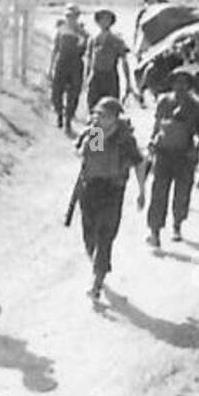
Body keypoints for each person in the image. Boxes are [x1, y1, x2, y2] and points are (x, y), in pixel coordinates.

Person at [71, 96, 147, 301]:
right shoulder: (95, 134)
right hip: (91, 189)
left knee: (105, 236)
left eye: (103, 115)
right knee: (89, 235)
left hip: (112, 192)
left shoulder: (124, 140)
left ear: (114, 118)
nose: (98, 118)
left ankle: (97, 280)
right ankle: (97, 262)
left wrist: (141, 190)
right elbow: (89, 157)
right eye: (97, 114)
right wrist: (82, 146)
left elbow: (139, 163)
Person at [145, 64, 199, 247]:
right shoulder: (164, 102)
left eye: (184, 83)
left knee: (181, 194)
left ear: (190, 86)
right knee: (158, 193)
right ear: (172, 83)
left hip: (185, 155)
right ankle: (155, 231)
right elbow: (158, 125)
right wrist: (152, 142)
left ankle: (177, 225)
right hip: (163, 154)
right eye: (177, 82)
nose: (180, 86)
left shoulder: (198, 106)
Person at [85, 8, 139, 112]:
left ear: (111, 22)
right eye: (102, 19)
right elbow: (89, 61)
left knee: (111, 108)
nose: (104, 22)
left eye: (107, 19)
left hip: (110, 77)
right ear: (98, 21)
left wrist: (128, 82)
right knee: (93, 109)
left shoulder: (117, 40)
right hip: (96, 77)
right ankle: (96, 129)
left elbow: (124, 61)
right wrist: (86, 78)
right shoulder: (93, 39)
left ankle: (111, 128)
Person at [48, 3, 88, 135]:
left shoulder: (83, 32)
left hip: (75, 63)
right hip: (62, 62)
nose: (71, 18)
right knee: (56, 92)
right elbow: (55, 48)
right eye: (68, 16)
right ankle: (59, 113)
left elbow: (85, 52)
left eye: (73, 16)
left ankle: (68, 119)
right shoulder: (61, 30)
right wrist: (50, 67)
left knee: (73, 93)